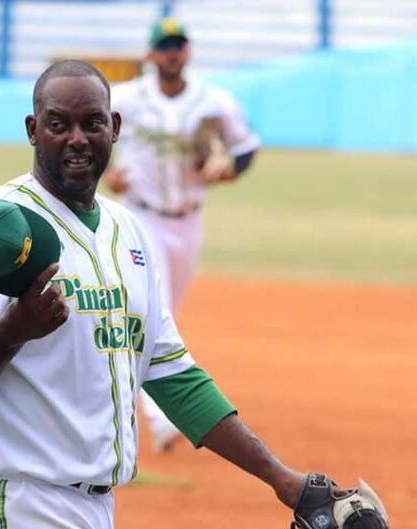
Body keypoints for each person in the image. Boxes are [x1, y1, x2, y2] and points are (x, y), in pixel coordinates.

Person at [0, 60, 309, 529]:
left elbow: (175, 378)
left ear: (116, 127)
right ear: (33, 131)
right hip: (19, 505)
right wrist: (15, 327)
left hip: (93, 512)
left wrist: (283, 480)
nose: (77, 139)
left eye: (93, 123)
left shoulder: (128, 233)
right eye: (59, 124)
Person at [104, 17, 262, 451]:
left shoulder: (213, 102)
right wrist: (106, 173)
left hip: (189, 220)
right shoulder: (128, 99)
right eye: (165, 45)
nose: (172, 52)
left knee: (164, 310)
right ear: (152, 54)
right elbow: (90, 132)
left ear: (187, 52)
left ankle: (145, 405)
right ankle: (160, 417)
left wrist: (225, 169)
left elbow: (246, 148)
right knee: (157, 310)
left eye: (178, 45)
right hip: (141, 217)